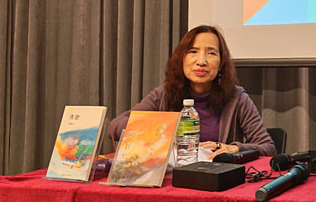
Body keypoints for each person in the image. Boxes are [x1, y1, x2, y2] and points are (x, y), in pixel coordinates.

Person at [109, 25, 275, 157]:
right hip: (173, 178)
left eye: (211, 53)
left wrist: (233, 148)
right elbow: (116, 126)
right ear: (181, 60)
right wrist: (162, 134)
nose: (201, 61)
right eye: (193, 52)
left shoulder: (236, 97)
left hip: (216, 180)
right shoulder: (164, 94)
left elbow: (268, 147)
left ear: (221, 64)